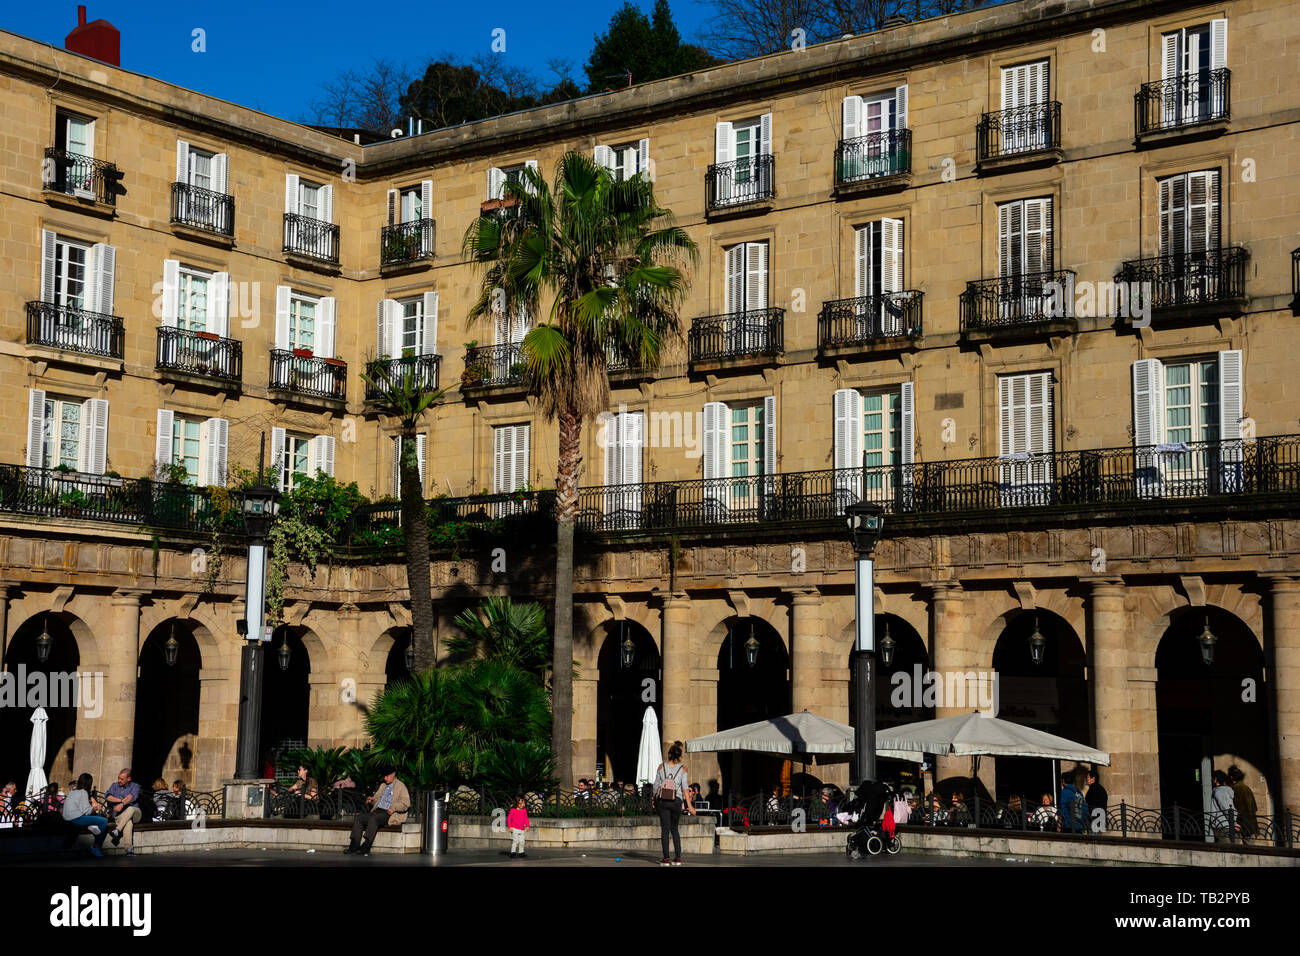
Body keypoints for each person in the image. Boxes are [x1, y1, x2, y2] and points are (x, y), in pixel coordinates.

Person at [345, 767, 410, 855]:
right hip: (376, 812)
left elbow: (406, 803)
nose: (385, 778)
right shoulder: (383, 786)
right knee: (359, 817)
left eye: (387, 776)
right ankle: (354, 845)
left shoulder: (401, 786)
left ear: (393, 774)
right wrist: (371, 800)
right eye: (384, 776)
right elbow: (376, 799)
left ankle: (366, 846)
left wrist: (394, 808)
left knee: (374, 818)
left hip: (388, 814)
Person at [653, 740, 691, 865]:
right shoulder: (683, 769)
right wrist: (689, 806)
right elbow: (685, 788)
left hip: (663, 801)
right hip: (676, 801)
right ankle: (678, 858)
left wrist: (654, 800)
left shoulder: (661, 766)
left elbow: (655, 786)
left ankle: (666, 859)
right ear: (679, 756)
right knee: (674, 829)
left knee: (665, 830)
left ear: (669, 754)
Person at [62, 773, 110, 857]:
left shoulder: (73, 791)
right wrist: (95, 808)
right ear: (89, 783)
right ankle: (95, 847)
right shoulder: (83, 792)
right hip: (75, 818)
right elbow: (86, 811)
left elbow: (81, 808)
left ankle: (92, 825)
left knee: (98, 817)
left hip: (68, 817)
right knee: (104, 821)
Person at [104, 767, 142, 856]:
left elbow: (131, 797)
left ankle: (117, 830)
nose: (119, 780)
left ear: (128, 779)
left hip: (135, 813)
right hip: (120, 816)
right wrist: (120, 801)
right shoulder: (114, 786)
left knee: (130, 809)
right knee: (128, 822)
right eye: (118, 778)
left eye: (121, 779)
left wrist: (122, 805)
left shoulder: (135, 786)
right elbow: (108, 796)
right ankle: (129, 850)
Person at [1228, 765, 1258, 844]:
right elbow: (1254, 807)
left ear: (1231, 777)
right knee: (1250, 848)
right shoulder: (1247, 788)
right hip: (1250, 822)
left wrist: (1235, 822)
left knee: (1235, 846)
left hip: (1241, 823)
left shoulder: (1235, 788)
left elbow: (1237, 807)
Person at [1210, 770, 1236, 843]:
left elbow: (1226, 808)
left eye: (1212, 778)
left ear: (1215, 779)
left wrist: (1233, 823)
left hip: (1222, 825)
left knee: (1227, 850)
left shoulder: (1220, 792)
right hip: (1224, 824)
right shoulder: (1220, 791)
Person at [507, 793, 530, 859]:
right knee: (515, 840)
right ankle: (513, 852)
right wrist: (510, 826)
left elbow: (526, 818)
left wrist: (527, 826)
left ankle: (521, 852)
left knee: (522, 841)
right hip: (514, 829)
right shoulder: (513, 810)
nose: (522, 805)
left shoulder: (524, 810)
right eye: (520, 804)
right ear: (516, 803)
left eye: (523, 803)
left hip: (522, 829)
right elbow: (509, 819)